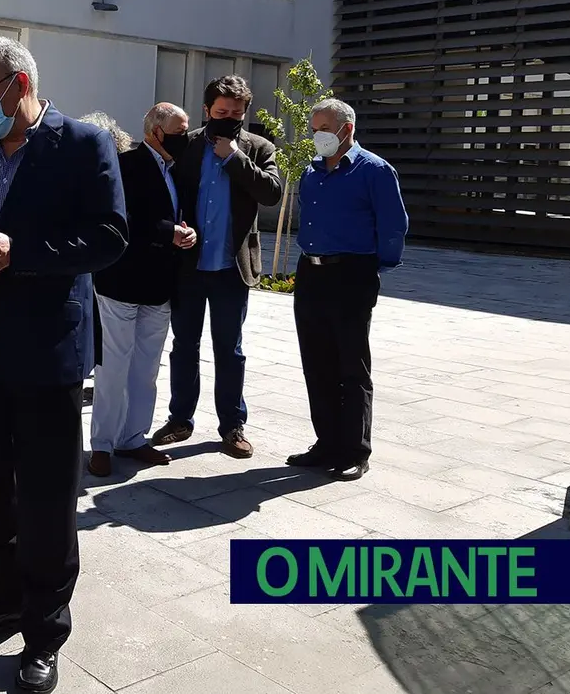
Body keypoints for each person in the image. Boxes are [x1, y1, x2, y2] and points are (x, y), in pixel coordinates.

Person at [0, 38, 127, 693]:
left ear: (20, 84)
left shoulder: (85, 146)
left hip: (47, 355)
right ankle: (4, 598)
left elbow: (109, 236)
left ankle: (44, 632)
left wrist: (20, 250)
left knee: (46, 502)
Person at [151, 75, 282, 459]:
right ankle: (180, 419)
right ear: (206, 110)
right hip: (188, 266)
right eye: (221, 112)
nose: (229, 118)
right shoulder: (186, 145)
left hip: (231, 268)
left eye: (237, 113)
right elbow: (164, 193)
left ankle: (232, 426)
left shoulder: (258, 148)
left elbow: (272, 194)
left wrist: (235, 158)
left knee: (230, 349)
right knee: (184, 346)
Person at [287, 98, 408, 481]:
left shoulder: (374, 171)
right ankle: (326, 443)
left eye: (324, 128)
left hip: (351, 273)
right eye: (313, 128)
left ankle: (355, 449)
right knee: (317, 363)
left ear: (347, 129)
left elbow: (393, 225)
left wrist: (374, 266)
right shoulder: (311, 171)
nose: (317, 135)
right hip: (311, 272)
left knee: (351, 365)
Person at [88, 103, 197, 478]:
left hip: (160, 284)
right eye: (178, 130)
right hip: (121, 281)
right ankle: (101, 444)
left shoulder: (175, 169)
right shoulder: (128, 163)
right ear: (154, 131)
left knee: (146, 367)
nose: (185, 136)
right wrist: (170, 232)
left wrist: (187, 230)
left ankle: (133, 438)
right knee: (113, 368)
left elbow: (176, 214)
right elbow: (125, 219)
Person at [77, 111, 135, 406]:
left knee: (105, 329)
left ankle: (103, 381)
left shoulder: (121, 169)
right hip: (87, 262)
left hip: (113, 264)